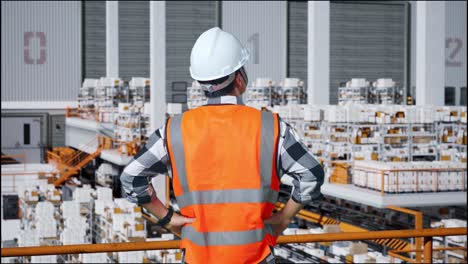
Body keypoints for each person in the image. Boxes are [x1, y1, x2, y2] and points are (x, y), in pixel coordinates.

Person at [120, 27, 324, 264]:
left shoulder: (173, 130)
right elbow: (311, 174)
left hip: (199, 257)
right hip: (256, 257)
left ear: (201, 82)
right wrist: (283, 219)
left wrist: (167, 218)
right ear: (239, 77)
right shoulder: (271, 127)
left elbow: (131, 177)